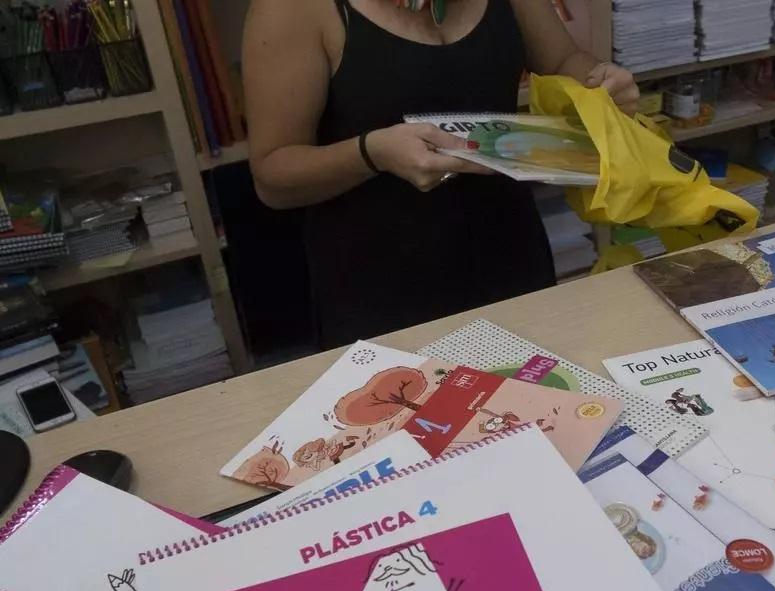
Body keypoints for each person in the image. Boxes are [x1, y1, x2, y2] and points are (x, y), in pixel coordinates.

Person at [242, 0, 639, 348]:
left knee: (537, 414)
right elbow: (273, 176)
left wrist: (600, 79)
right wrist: (371, 153)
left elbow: (561, 62)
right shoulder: (293, 7)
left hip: (511, 254)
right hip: (380, 284)